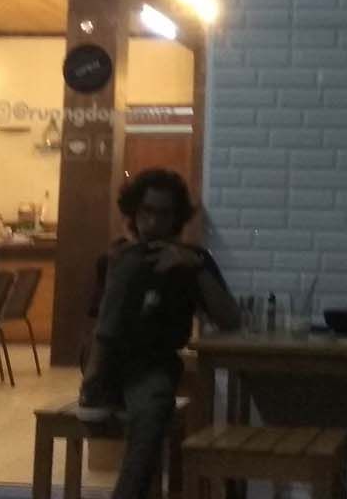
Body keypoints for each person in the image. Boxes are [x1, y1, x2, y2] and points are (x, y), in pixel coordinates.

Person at [76, 170, 241, 499]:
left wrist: (194, 268)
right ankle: (96, 387)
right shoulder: (117, 257)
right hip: (106, 358)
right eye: (146, 212)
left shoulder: (193, 260)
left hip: (153, 364)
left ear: (176, 218)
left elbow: (230, 320)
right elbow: (99, 324)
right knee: (126, 263)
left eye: (163, 214)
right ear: (134, 214)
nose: (153, 223)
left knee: (152, 408)